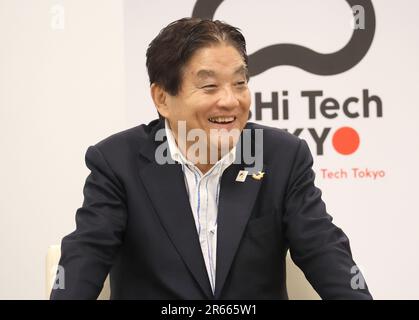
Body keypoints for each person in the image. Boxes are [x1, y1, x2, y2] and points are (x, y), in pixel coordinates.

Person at [50, 17, 372, 300]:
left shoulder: (281, 156)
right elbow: (85, 259)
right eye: (209, 86)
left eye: (240, 83)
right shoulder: (116, 163)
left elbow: (326, 254)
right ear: (162, 98)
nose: (230, 101)